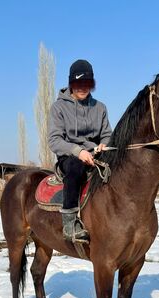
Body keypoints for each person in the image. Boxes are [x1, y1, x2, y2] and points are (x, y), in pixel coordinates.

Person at [48, 59, 112, 243]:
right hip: (70, 156)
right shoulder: (58, 107)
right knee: (76, 167)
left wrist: (103, 145)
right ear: (71, 84)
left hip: (96, 154)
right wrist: (78, 151)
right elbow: (54, 140)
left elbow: (107, 134)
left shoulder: (100, 108)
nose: (82, 88)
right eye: (78, 84)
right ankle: (69, 222)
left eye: (87, 84)